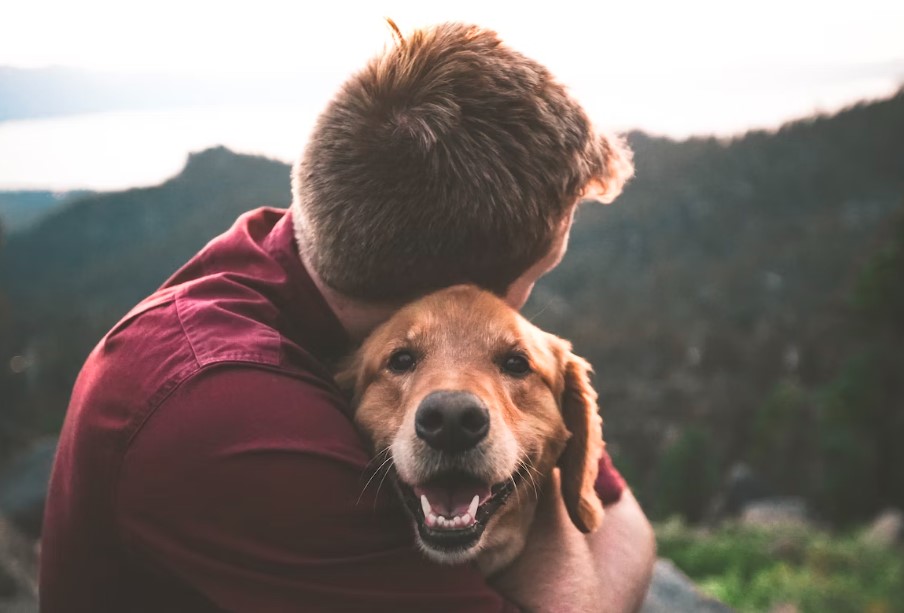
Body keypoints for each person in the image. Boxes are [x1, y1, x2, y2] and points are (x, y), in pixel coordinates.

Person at [40, 22, 655, 612]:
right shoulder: (230, 417)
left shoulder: (303, 256)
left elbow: (621, 516)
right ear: (456, 291)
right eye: (534, 278)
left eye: (509, 351)